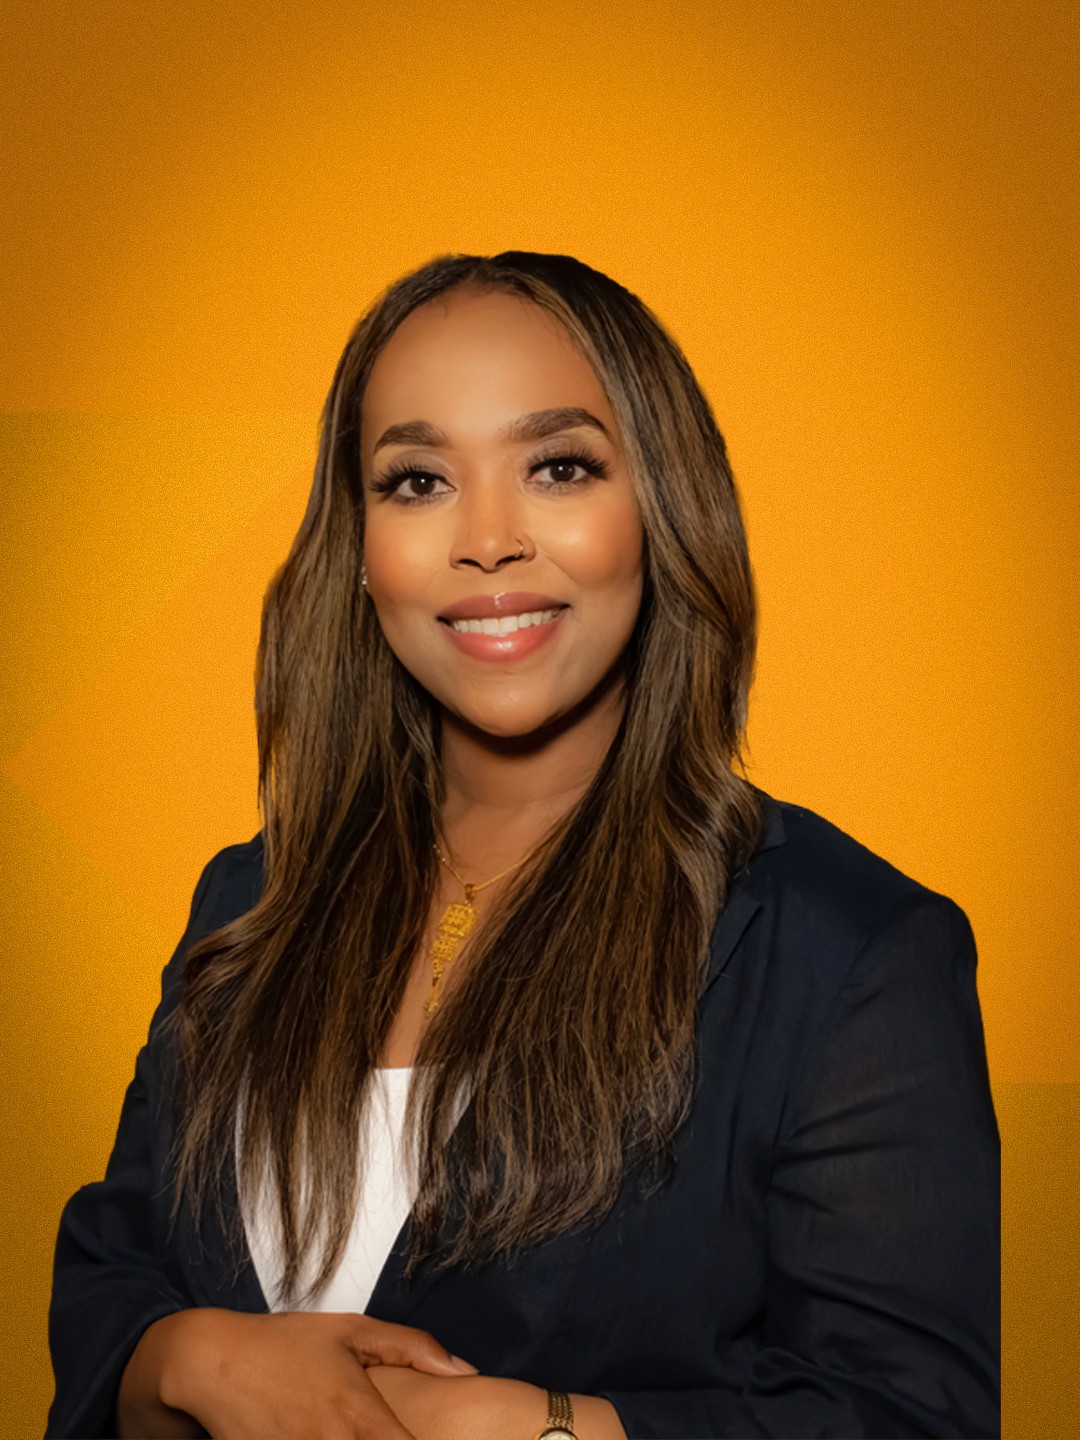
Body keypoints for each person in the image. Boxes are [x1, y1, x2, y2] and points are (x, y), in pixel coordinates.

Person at [46, 251, 1000, 1440]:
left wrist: (540, 1431)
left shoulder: (850, 953)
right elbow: (111, 1271)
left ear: (659, 506)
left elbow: (908, 1417)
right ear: (358, 546)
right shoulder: (253, 899)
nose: (488, 541)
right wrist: (190, 1358)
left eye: (558, 466)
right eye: (416, 481)